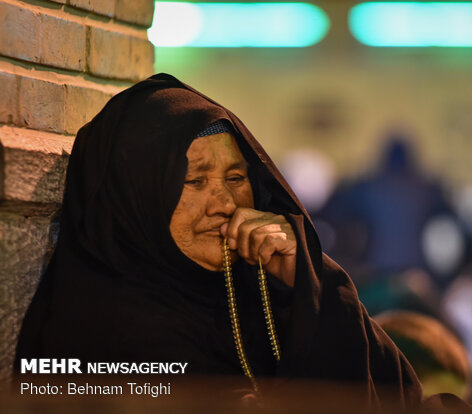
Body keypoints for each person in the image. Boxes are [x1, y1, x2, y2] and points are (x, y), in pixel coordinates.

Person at [14, 74, 432, 409]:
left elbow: (405, 397)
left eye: (236, 178)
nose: (225, 203)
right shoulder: (101, 341)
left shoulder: (259, 291)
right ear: (136, 201)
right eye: (194, 181)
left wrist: (310, 281)